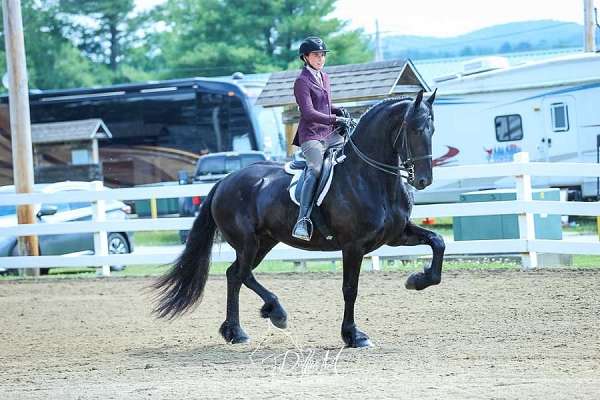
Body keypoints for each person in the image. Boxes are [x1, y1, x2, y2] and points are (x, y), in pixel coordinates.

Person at [291, 36, 352, 241]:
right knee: (315, 169)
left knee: (353, 156)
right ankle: (303, 220)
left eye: (323, 54)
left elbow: (324, 105)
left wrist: (339, 110)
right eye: (316, 55)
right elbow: (308, 113)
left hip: (330, 134)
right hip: (312, 136)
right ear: (305, 57)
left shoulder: (324, 77)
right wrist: (335, 117)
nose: (321, 58)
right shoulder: (301, 82)